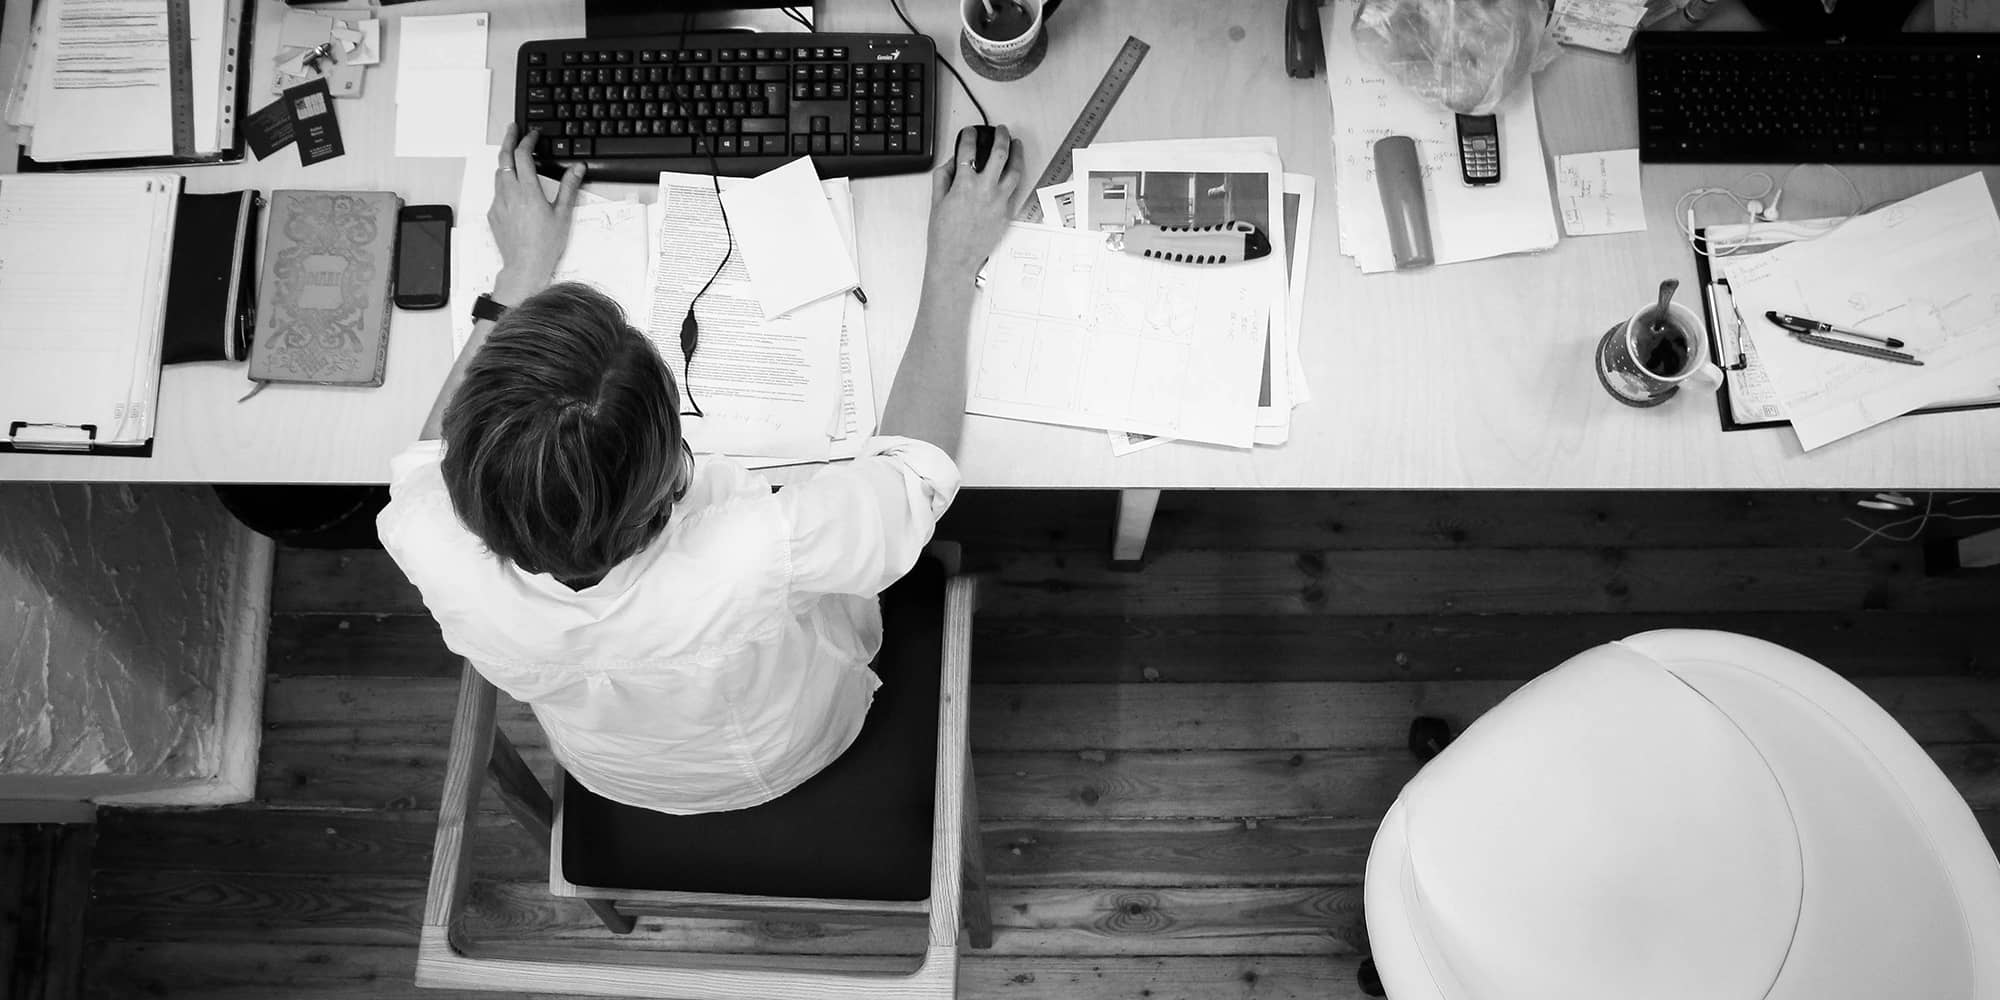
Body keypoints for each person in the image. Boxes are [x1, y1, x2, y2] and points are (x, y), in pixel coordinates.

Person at [377, 123, 1026, 815]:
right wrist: (954, 263)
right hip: (792, 747)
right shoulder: (755, 551)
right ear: (670, 467)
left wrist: (517, 276)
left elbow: (426, 456)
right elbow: (913, 477)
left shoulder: (422, 536)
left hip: (609, 770)